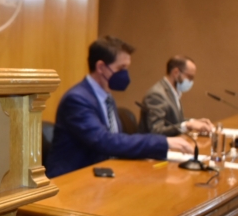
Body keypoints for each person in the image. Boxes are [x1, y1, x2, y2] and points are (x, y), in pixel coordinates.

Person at [45, 36, 193, 178]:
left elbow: (116, 141)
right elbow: (105, 141)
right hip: (71, 180)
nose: (125, 74)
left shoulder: (106, 96)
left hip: (101, 175)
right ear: (101, 67)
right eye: (121, 68)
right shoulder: (77, 99)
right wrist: (164, 142)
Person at [139, 56, 213, 136]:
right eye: (189, 77)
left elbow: (175, 121)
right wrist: (188, 125)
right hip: (154, 147)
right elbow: (157, 131)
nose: (191, 81)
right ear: (176, 72)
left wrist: (193, 121)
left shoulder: (174, 92)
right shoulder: (157, 95)